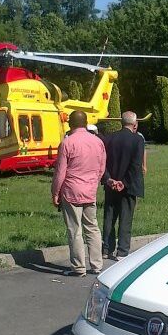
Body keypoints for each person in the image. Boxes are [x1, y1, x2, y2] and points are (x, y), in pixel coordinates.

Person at [51, 110, 106, 277]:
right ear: (86, 122)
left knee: (75, 230)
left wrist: (55, 192)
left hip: (71, 191)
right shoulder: (98, 142)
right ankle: (97, 265)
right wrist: (93, 182)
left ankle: (79, 267)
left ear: (70, 124)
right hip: (90, 190)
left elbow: (60, 172)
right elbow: (101, 168)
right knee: (93, 228)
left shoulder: (67, 143)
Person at [101, 111, 145, 260]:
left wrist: (109, 179)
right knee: (126, 218)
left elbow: (102, 162)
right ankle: (122, 251)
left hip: (111, 184)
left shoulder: (109, 138)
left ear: (121, 122)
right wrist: (124, 182)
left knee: (109, 217)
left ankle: (106, 249)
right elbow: (136, 165)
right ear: (135, 124)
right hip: (128, 185)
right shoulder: (137, 140)